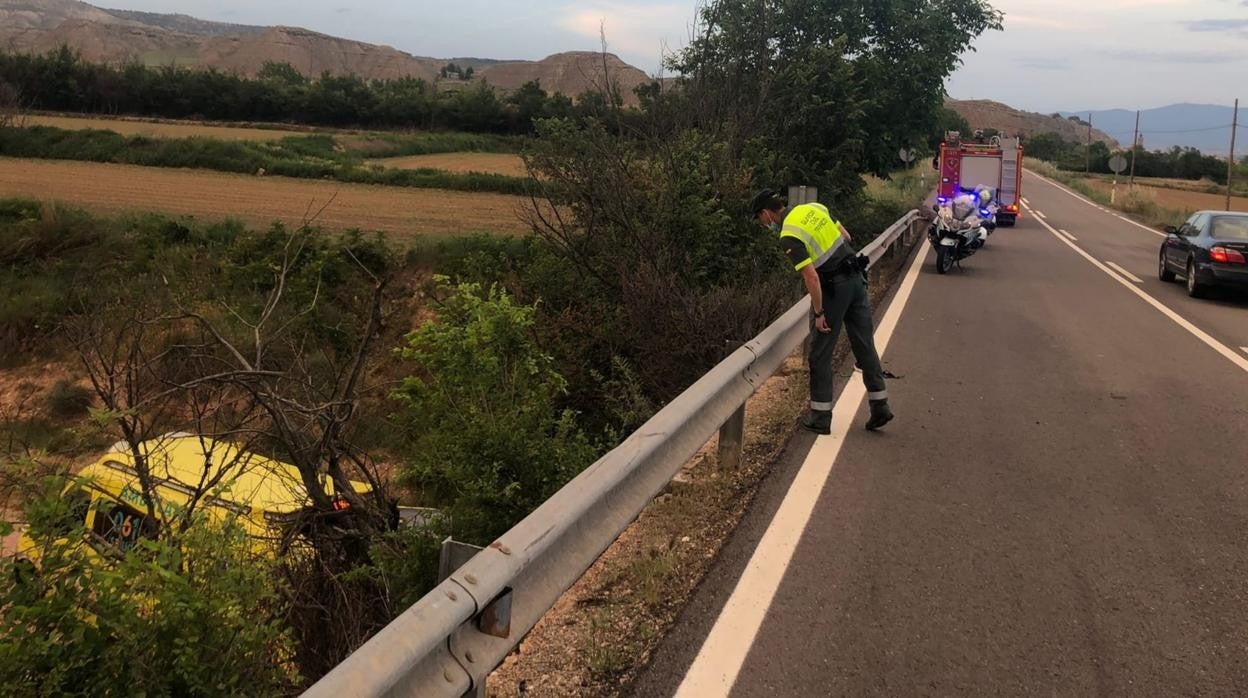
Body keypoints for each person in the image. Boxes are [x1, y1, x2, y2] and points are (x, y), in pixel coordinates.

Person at [751, 190, 894, 434]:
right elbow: (846, 236)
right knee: (863, 344)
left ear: (766, 213)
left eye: (760, 220)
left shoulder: (788, 235)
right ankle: (880, 405)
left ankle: (820, 416)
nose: (764, 224)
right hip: (856, 280)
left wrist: (819, 314)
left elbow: (811, 277)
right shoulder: (815, 207)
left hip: (834, 290)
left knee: (819, 353)